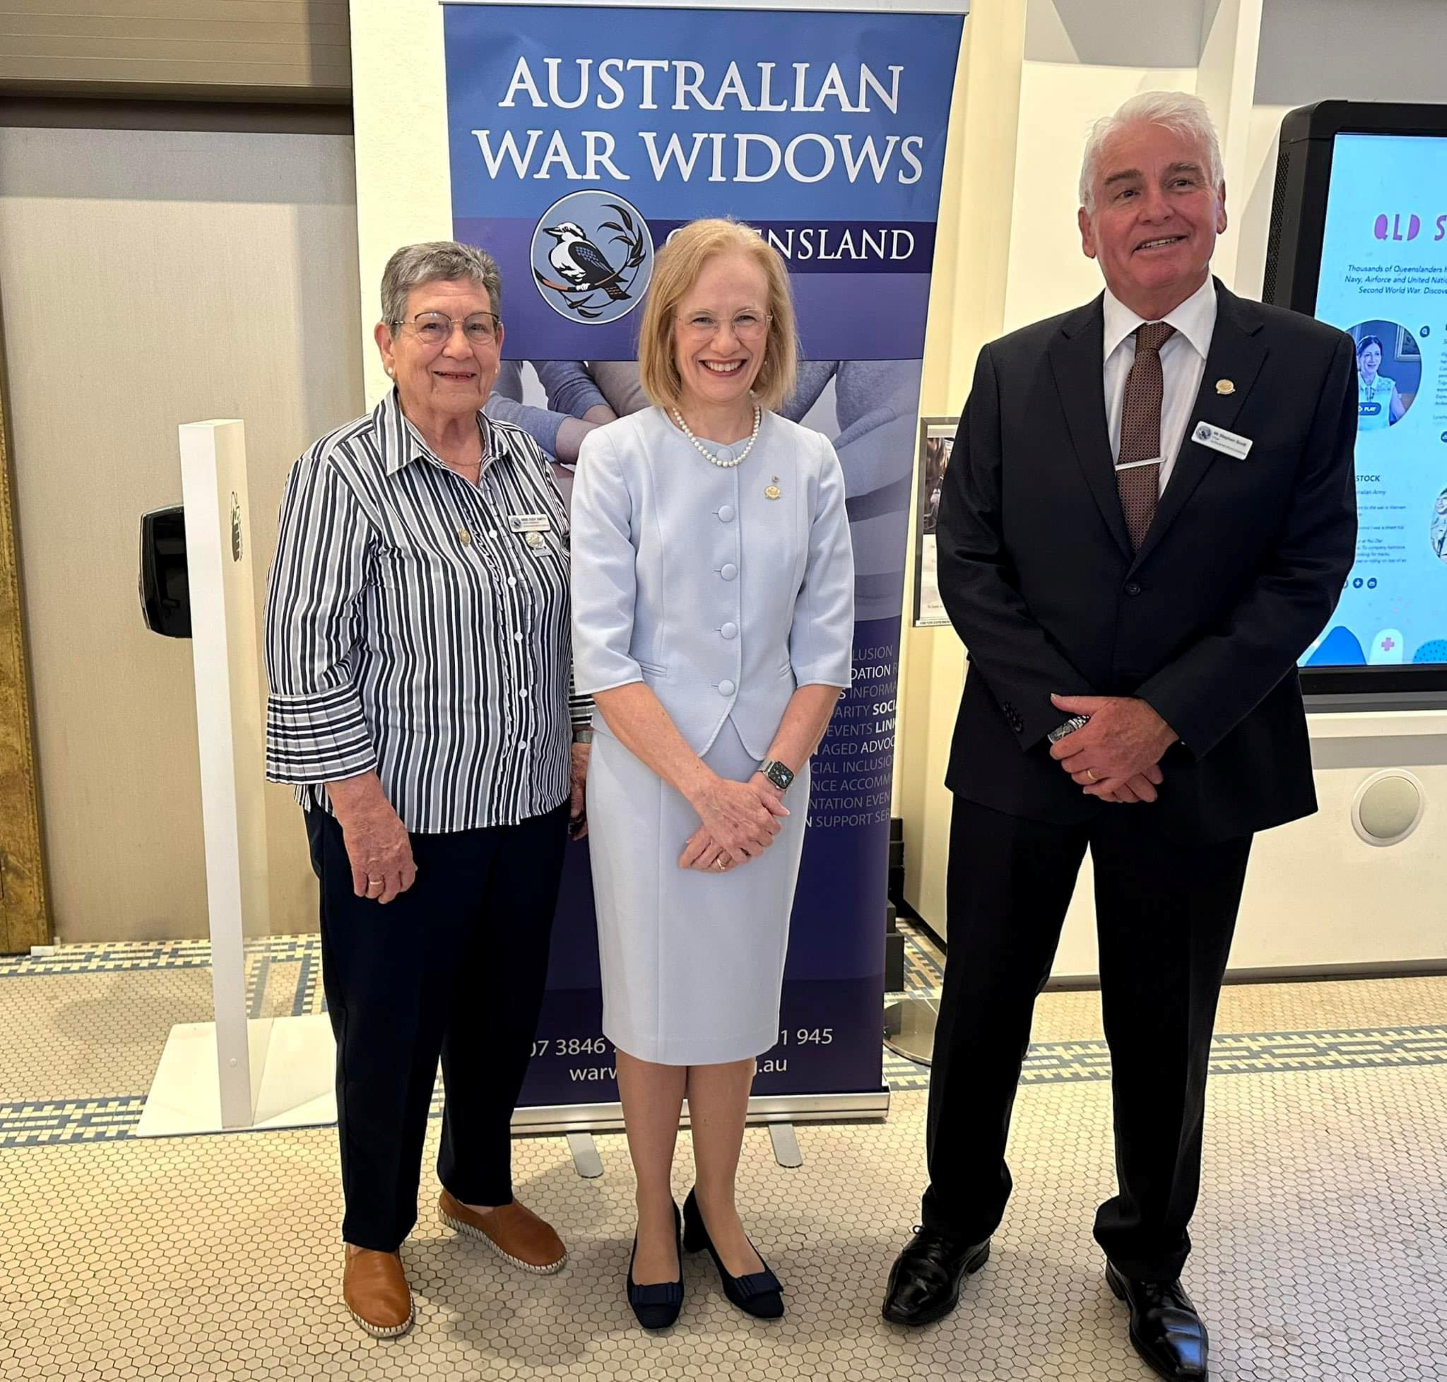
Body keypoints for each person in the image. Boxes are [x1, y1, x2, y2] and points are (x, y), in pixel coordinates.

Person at [881, 92, 1357, 1382]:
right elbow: (969, 560)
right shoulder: (1012, 366)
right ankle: (952, 1220)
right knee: (982, 1004)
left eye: (1180, 180)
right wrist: (1068, 723)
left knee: (1163, 1021)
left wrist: (1160, 718)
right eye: (1126, 189)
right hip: (1023, 755)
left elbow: (1307, 569)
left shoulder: (1307, 362)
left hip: (1196, 758)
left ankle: (1149, 1254)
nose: (1156, 208)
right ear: (1086, 223)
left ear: (1220, 203)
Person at [264, 241, 590, 1339]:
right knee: (389, 1033)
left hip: (526, 808)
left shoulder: (525, 462)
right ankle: (374, 1231)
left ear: (500, 344)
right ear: (388, 342)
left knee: (501, 1017)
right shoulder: (341, 472)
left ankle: (478, 1185)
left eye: (478, 327)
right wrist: (359, 810)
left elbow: (568, 627)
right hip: (397, 819)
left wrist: (578, 743)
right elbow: (304, 656)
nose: (459, 347)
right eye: (433, 325)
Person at [569, 218, 854, 1330]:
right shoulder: (619, 457)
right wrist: (706, 790)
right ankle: (654, 1210)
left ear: (772, 330)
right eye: (702, 318)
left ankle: (719, 1206)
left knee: (733, 1004)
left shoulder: (809, 460)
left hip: (769, 784)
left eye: (746, 318)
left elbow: (825, 654)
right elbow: (603, 656)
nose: (725, 340)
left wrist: (762, 788)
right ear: (667, 328)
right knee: (650, 1006)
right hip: (654, 785)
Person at [1355, 334, 1406, 430]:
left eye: (1377, 354)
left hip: (1382, 437)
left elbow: (1401, 416)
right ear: (1358, 358)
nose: (1372, 359)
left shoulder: (1389, 385)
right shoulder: (1349, 383)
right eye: (1367, 355)